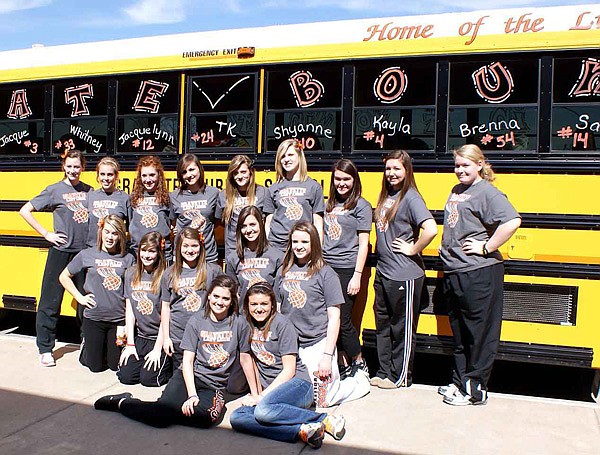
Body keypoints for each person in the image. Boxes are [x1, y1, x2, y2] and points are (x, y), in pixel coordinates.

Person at [94, 275, 256, 429]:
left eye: (225, 298)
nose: (219, 302)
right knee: (160, 417)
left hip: (214, 385)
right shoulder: (196, 321)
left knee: (206, 418)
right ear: (208, 296)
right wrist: (192, 395)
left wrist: (256, 395)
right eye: (216, 296)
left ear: (232, 300)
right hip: (190, 377)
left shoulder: (239, 324)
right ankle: (122, 402)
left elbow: (245, 359)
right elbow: (187, 361)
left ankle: (167, 411)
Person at [438, 144, 520, 406]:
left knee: (479, 334)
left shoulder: (486, 191)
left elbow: (512, 220)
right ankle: (460, 380)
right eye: (457, 165)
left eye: (466, 165)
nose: (460, 170)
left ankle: (475, 389)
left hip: (479, 272)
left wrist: (487, 247)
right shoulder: (457, 190)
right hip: (456, 270)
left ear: (480, 165)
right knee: (461, 333)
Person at [230, 282, 346, 449]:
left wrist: (261, 397)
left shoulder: (282, 324)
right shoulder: (247, 325)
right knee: (237, 417)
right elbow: (249, 360)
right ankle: (302, 431)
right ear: (247, 306)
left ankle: (323, 419)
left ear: (272, 305)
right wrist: (256, 393)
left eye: (264, 304)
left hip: (298, 385)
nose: (259, 308)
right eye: (254, 304)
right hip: (271, 393)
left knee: (263, 411)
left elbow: (289, 370)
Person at [278, 221, 369, 407]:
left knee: (323, 400)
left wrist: (326, 356)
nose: (299, 246)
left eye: (304, 242)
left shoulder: (326, 274)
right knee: (294, 395)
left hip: (316, 344)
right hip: (291, 345)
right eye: (295, 242)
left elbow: (334, 318)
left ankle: (359, 381)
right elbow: (279, 309)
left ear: (314, 244)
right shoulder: (284, 271)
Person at [19, 149, 92, 367]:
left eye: (76, 166)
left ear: (83, 167)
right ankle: (45, 348)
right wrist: (46, 234)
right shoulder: (54, 190)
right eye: (69, 166)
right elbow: (25, 210)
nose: (72, 170)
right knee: (51, 300)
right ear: (64, 167)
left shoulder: (89, 191)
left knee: (85, 301)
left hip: (83, 253)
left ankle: (86, 343)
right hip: (61, 251)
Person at [372, 150, 437, 389]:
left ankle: (400, 376)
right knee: (384, 325)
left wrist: (413, 249)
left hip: (405, 275)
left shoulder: (411, 197)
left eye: (397, 168)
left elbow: (430, 228)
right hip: (384, 272)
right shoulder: (387, 195)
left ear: (407, 170)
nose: (391, 173)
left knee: (402, 328)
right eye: (388, 168)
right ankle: (384, 371)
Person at [59, 215, 134, 372]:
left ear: (120, 235)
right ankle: (87, 346)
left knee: (115, 366)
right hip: (94, 318)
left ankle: (106, 348)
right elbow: (63, 276)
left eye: (115, 233)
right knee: (95, 367)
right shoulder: (87, 254)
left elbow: (132, 291)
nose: (110, 237)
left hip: (118, 320)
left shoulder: (128, 258)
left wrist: (128, 324)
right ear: (100, 231)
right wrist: (80, 297)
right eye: (107, 232)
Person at [323, 159, 372, 378]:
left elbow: (364, 243)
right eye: (338, 179)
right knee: (329, 319)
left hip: (346, 269)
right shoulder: (329, 204)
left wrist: (357, 276)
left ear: (354, 180)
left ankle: (359, 361)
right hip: (327, 267)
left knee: (343, 320)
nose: (342, 183)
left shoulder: (361, 205)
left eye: (346, 179)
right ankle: (343, 363)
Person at [161, 227, 224, 370]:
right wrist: (166, 338)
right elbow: (165, 307)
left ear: (201, 246)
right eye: (186, 246)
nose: (190, 250)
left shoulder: (213, 271)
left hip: (205, 335)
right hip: (178, 335)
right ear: (179, 247)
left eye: (194, 245)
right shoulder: (169, 273)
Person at [118, 232, 172, 387]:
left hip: (159, 338)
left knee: (149, 380)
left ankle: (170, 367)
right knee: (126, 377)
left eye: (152, 251)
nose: (147, 255)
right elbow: (130, 311)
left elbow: (165, 315)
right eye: (144, 250)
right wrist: (130, 344)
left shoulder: (165, 275)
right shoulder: (131, 273)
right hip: (141, 336)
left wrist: (157, 350)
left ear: (159, 253)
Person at [264, 139, 325, 251]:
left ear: (299, 156)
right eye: (282, 156)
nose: (286, 159)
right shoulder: (273, 188)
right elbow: (268, 223)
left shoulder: (314, 187)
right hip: (277, 247)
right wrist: (268, 250)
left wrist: (317, 252)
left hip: (302, 247)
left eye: (291, 155)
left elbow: (318, 223)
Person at [225, 205, 283, 309]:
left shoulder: (277, 256)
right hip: (244, 318)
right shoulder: (233, 258)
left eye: (252, 224)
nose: (248, 230)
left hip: (268, 316)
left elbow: (279, 296)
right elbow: (233, 294)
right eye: (243, 226)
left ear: (262, 222)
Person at [170, 154, 219, 263]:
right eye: (184, 172)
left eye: (192, 169)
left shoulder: (213, 193)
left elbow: (216, 221)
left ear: (200, 169)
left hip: (207, 255)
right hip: (182, 256)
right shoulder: (174, 196)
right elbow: (173, 223)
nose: (189, 175)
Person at [216, 155, 268, 258]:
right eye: (235, 173)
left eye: (243, 172)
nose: (239, 176)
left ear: (251, 172)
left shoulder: (263, 192)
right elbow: (218, 222)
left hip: (258, 250)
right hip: (233, 250)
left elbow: (268, 222)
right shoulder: (223, 195)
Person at [129, 156, 172, 261]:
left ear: (159, 176)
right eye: (144, 175)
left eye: (152, 175)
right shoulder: (133, 198)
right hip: (138, 255)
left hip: (162, 255)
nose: (148, 180)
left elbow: (173, 224)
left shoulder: (168, 198)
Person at [86, 157, 129, 248]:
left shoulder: (124, 198)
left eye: (110, 174)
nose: (106, 178)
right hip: (93, 248)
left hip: (116, 250)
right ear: (98, 176)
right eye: (102, 174)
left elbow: (131, 228)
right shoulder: (90, 196)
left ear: (116, 176)